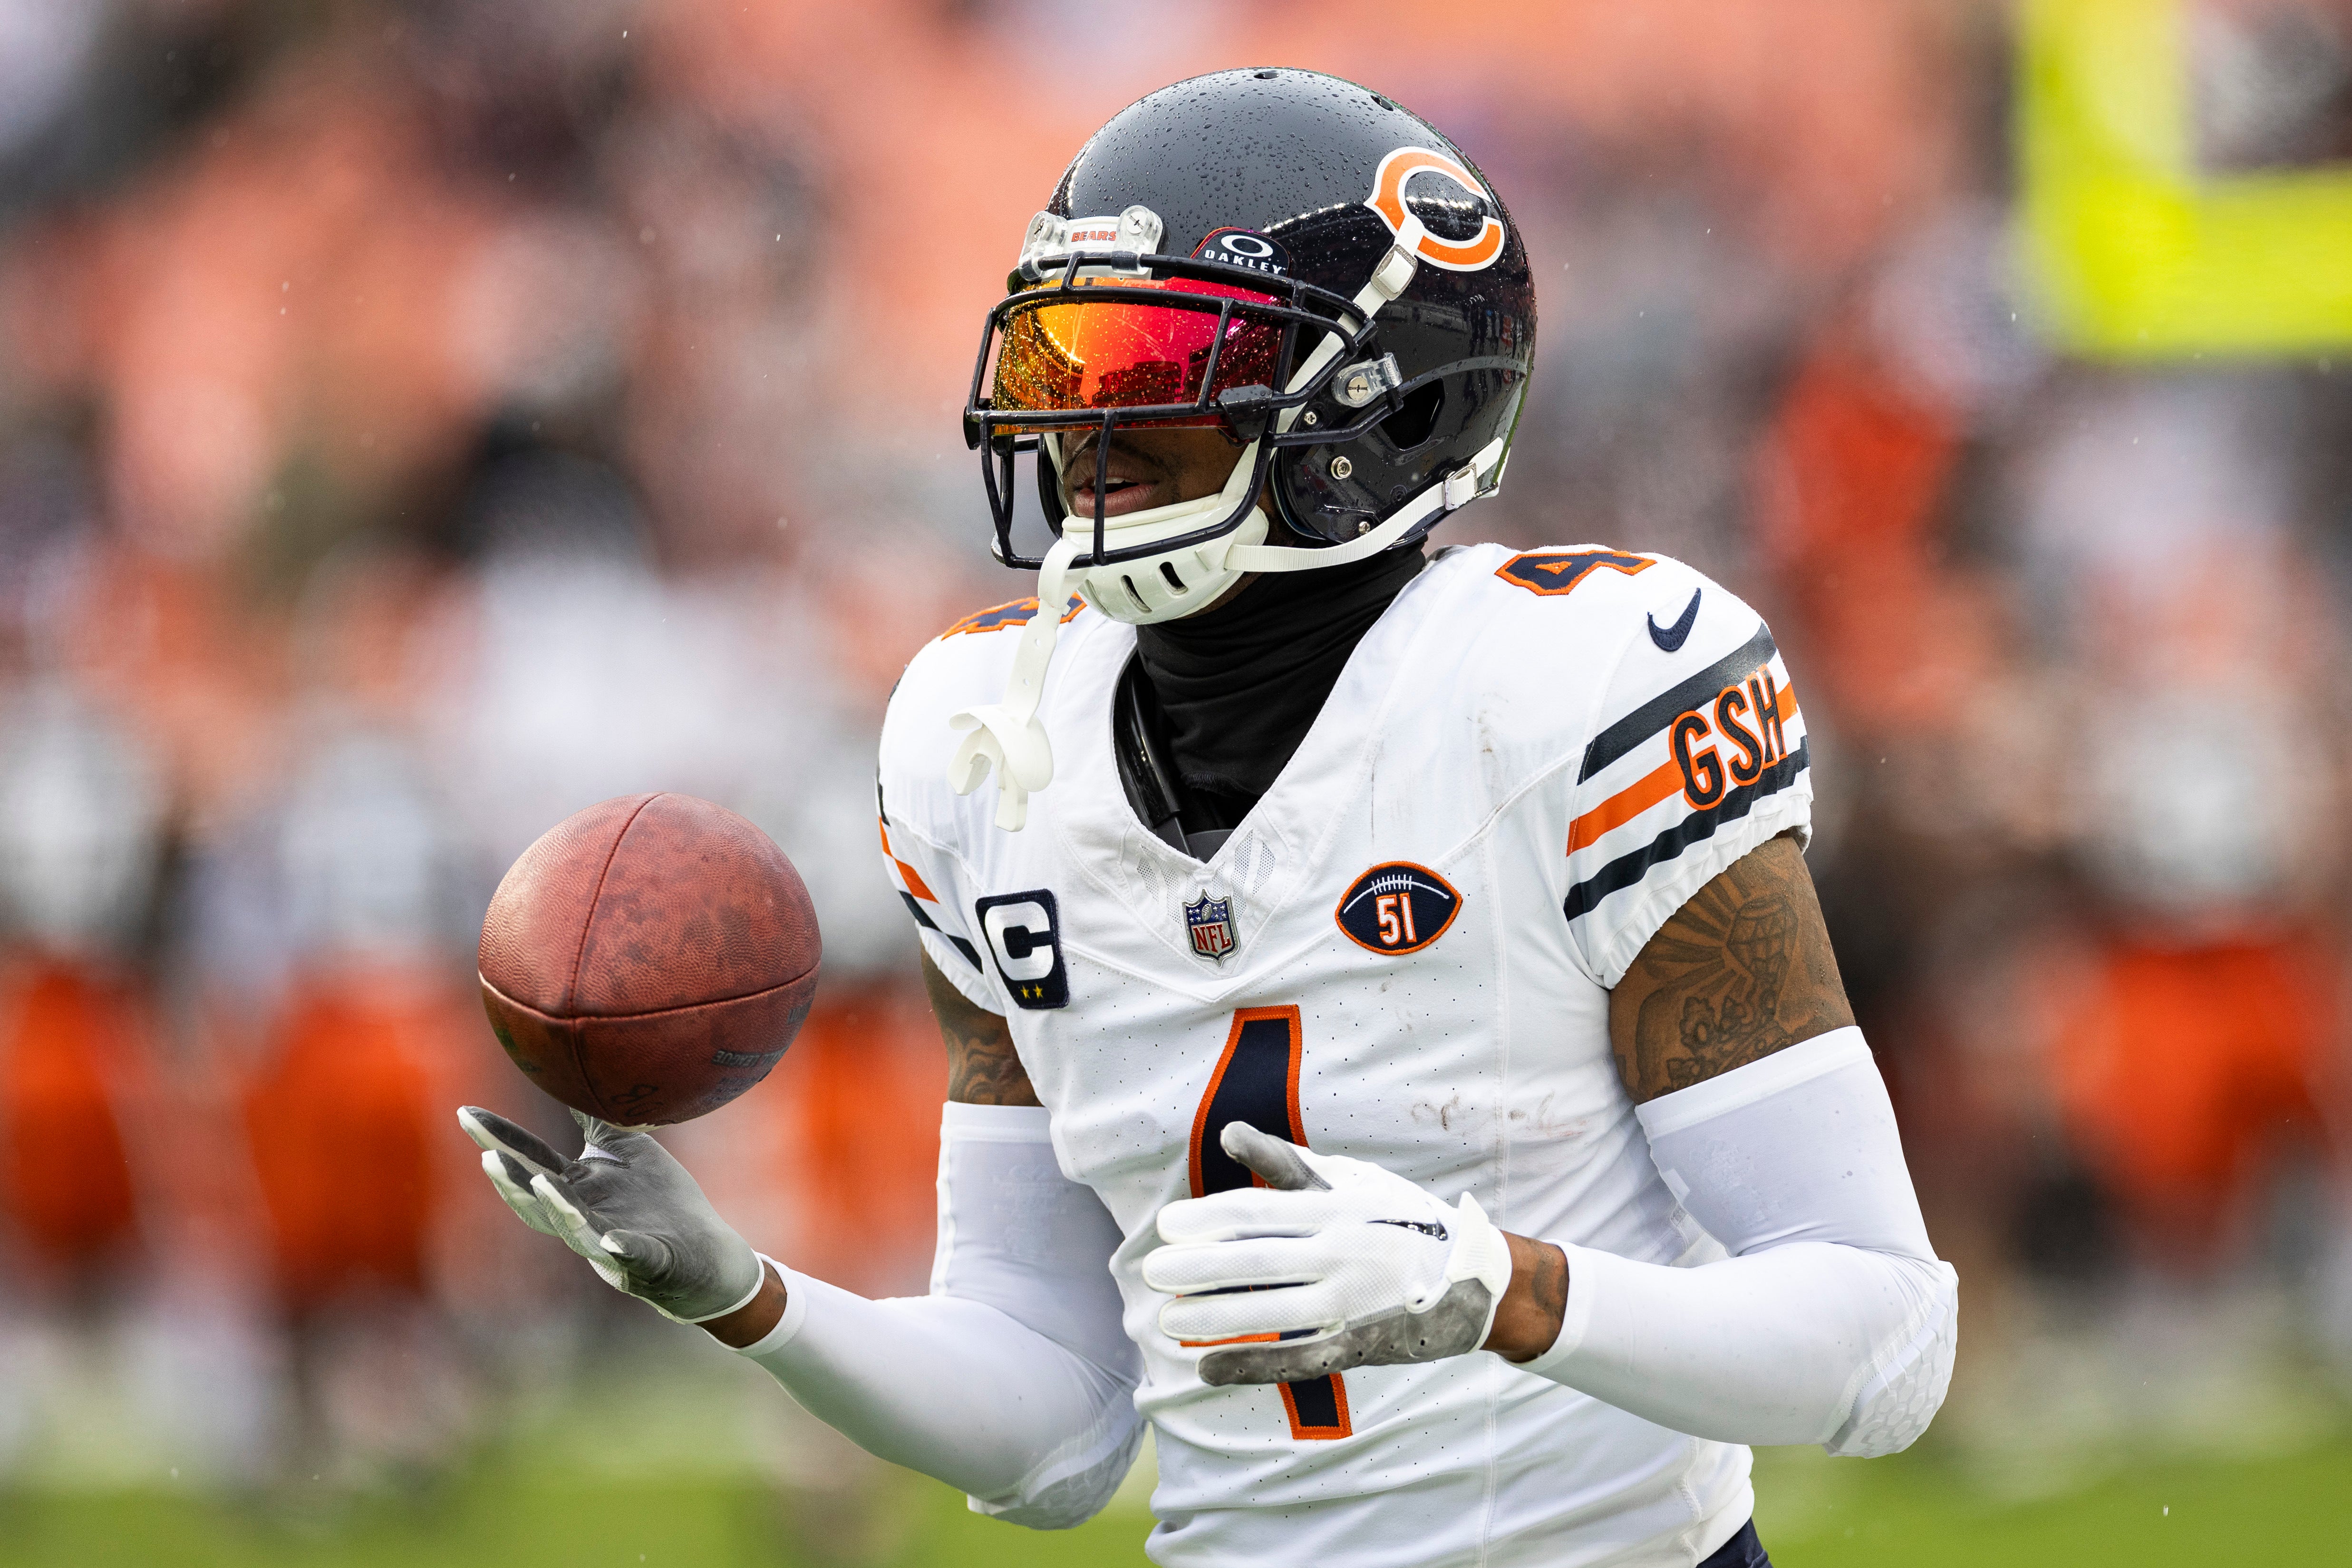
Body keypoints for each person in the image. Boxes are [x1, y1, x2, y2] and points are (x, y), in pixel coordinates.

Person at [460, 69, 1956, 1568]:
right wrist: (745, 1294)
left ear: (1383, 407)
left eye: (1161, 363)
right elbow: (1050, 1421)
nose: (1084, 423)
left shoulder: (1563, 692)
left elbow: (1878, 1339)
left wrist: (1501, 1283)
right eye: (1064, 358)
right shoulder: (984, 743)